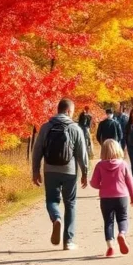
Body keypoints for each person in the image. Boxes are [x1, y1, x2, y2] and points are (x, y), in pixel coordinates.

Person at [32, 98, 90, 251]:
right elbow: (82, 153)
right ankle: (68, 241)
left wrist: (35, 171)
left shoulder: (46, 127)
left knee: (51, 200)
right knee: (70, 203)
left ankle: (56, 218)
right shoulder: (75, 128)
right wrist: (85, 172)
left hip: (50, 170)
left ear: (58, 110)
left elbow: (37, 150)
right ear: (69, 111)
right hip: (69, 171)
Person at [90, 139, 133, 257]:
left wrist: (102, 186)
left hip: (105, 198)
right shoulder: (123, 164)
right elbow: (130, 182)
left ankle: (110, 246)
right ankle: (122, 234)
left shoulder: (100, 165)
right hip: (122, 196)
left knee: (108, 222)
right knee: (123, 218)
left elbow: (94, 183)